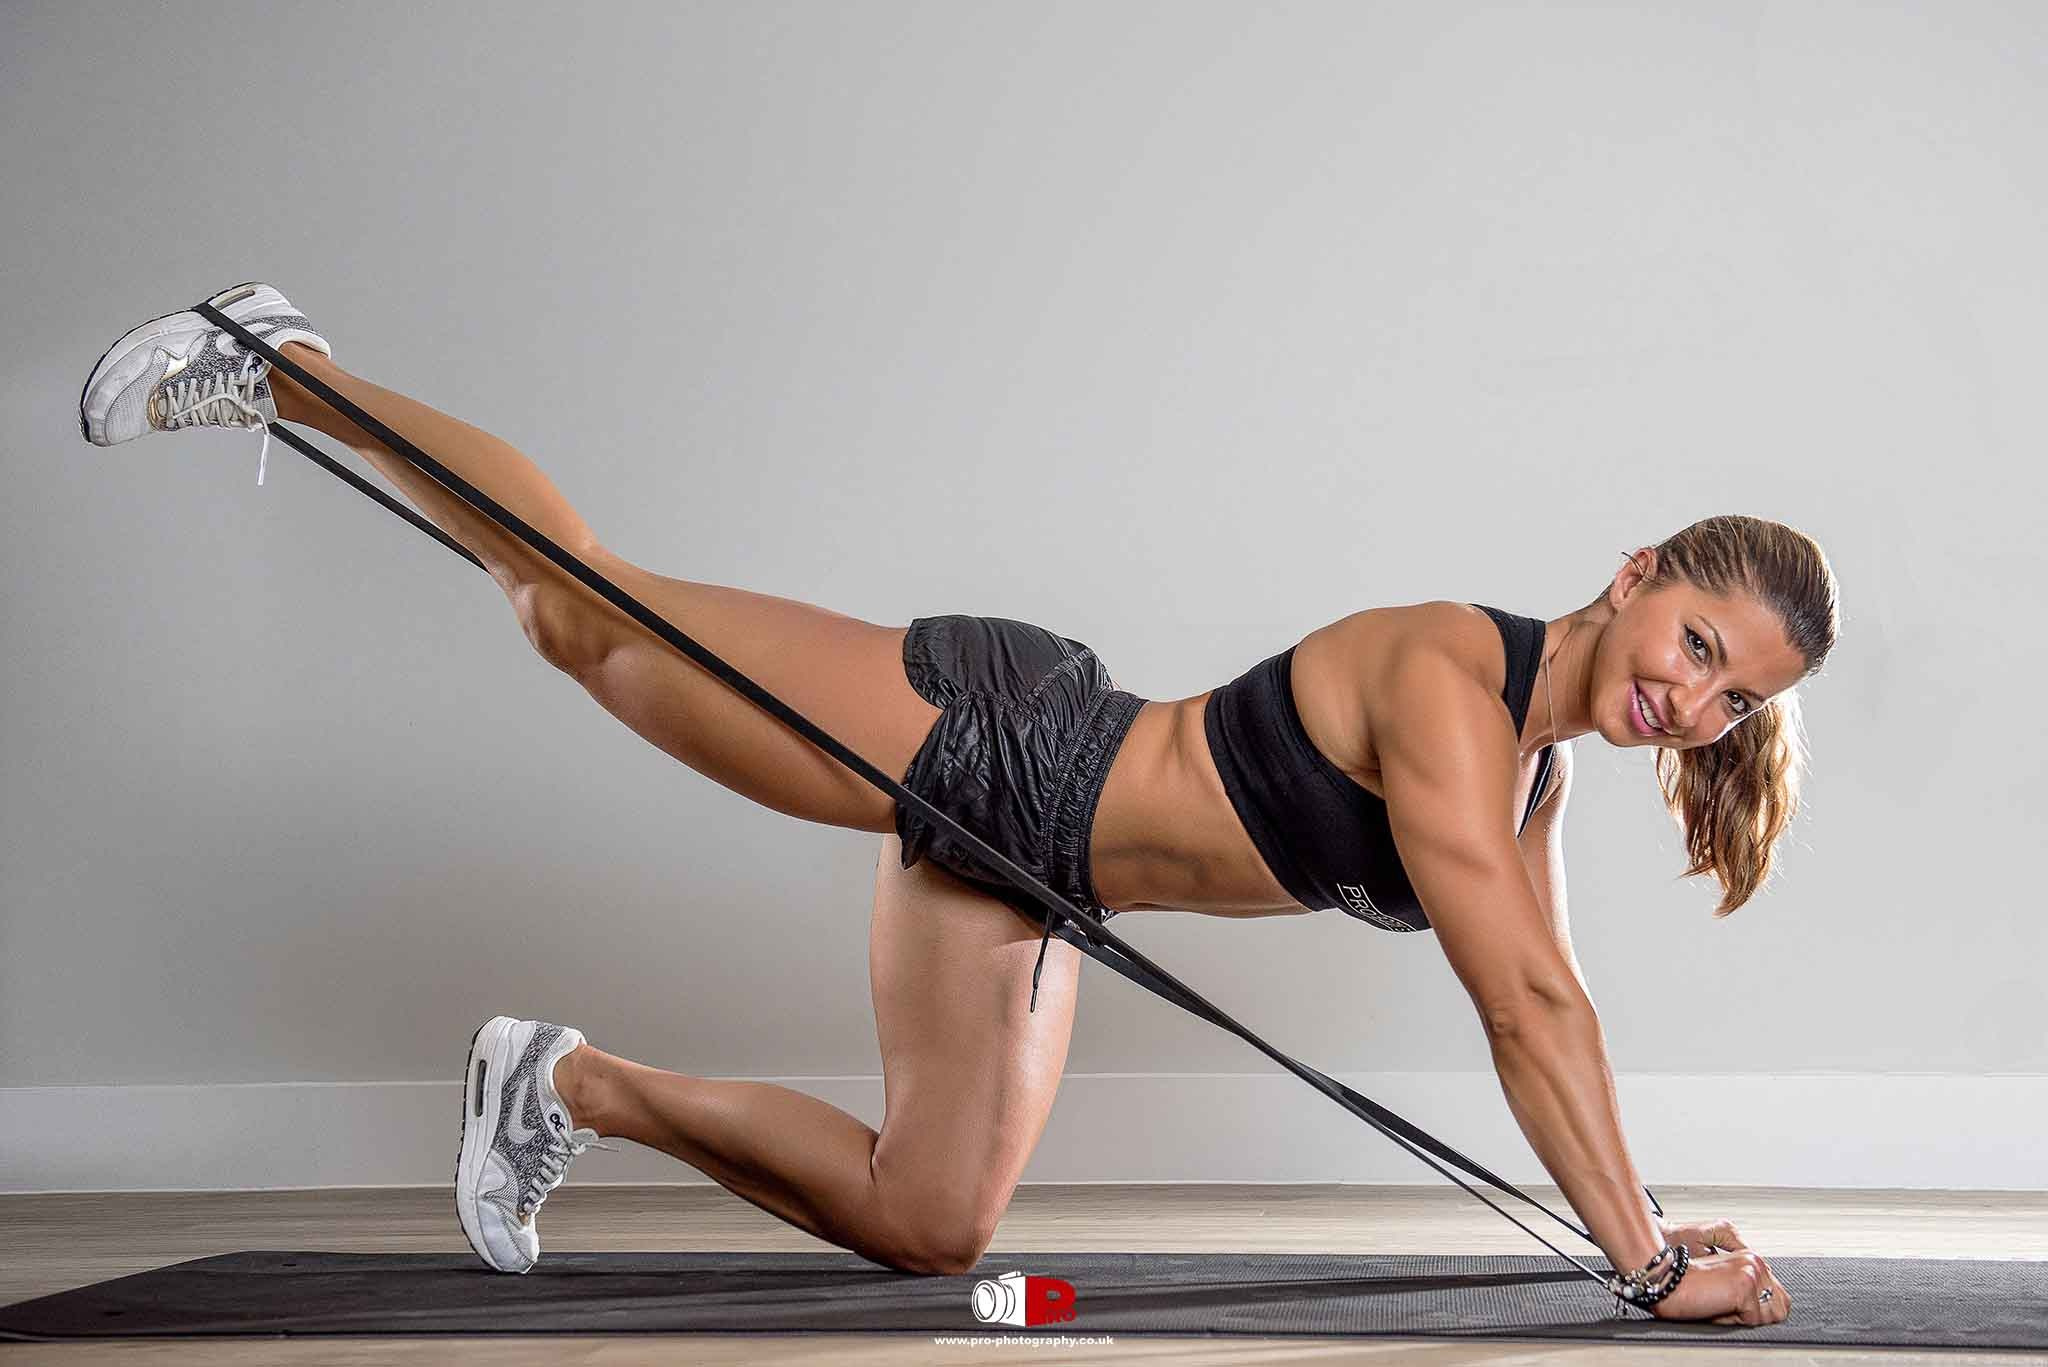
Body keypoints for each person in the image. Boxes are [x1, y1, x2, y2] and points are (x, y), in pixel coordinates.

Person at [80, 283, 1834, 1326]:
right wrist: (1642, 1267)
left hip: (1037, 886)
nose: (1690, 700)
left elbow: (1563, 1008)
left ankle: (560, 1082)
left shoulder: (1533, 782)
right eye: (1696, 642)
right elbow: (1518, 1000)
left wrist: (1652, 1232)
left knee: (931, 1226)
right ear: (1636, 574)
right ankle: (278, 355)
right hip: (1006, 742)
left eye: (1731, 694)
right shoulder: (1451, 676)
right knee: (581, 615)